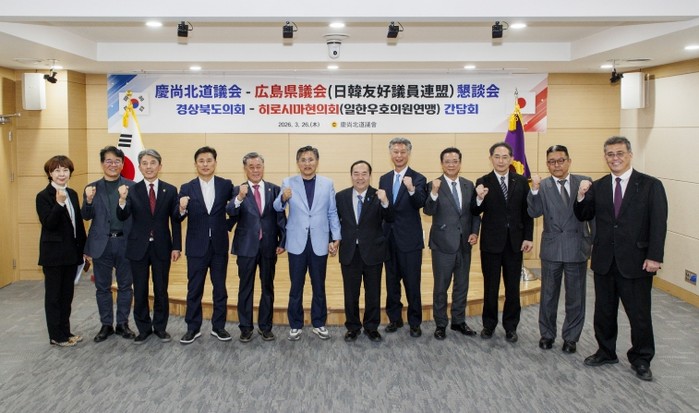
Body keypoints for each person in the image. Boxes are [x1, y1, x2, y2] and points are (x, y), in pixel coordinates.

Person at [574, 136, 668, 381]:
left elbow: (658, 224)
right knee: (604, 311)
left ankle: (641, 358)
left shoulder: (650, 185)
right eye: (610, 154)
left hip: (636, 261)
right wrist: (581, 196)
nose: (614, 158)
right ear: (605, 157)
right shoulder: (598, 186)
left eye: (619, 153)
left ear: (629, 155)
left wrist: (655, 256)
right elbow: (584, 214)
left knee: (639, 314)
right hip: (604, 260)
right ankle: (606, 351)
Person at [527, 145, 593, 353]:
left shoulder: (584, 182)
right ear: (547, 164)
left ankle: (571, 338)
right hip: (552, 247)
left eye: (561, 160)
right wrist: (534, 190)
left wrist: (592, 241)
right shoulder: (542, 185)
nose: (557, 165)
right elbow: (534, 212)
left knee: (575, 297)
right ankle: (547, 334)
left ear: (569, 161)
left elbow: (592, 214)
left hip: (577, 246)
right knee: (548, 295)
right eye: (552, 162)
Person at [273, 145, 341, 341]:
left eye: (311, 159)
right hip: (296, 242)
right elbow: (276, 207)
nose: (307, 163)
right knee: (296, 286)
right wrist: (283, 198)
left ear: (317, 162)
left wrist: (336, 237)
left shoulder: (327, 183)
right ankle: (295, 324)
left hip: (320, 240)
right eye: (303, 160)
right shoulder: (288, 182)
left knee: (319, 285)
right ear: (298, 163)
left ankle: (319, 323)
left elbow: (332, 212)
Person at [116, 149, 182, 344]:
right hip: (138, 247)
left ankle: (160, 327)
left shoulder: (170, 190)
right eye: (144, 163)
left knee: (161, 289)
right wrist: (122, 200)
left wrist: (176, 246)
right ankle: (143, 328)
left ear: (160, 166)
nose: (149, 167)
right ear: (139, 167)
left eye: (153, 163)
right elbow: (122, 215)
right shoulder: (131, 190)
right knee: (140, 290)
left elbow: (175, 220)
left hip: (162, 246)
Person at [471, 141, 534, 343]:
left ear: (511, 159)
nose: (500, 160)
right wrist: (479, 198)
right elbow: (474, 211)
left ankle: (511, 327)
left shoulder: (521, 181)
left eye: (505, 157)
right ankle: (488, 325)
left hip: (515, 243)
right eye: (497, 157)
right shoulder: (483, 181)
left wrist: (528, 236)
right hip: (491, 243)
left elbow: (527, 212)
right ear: (491, 158)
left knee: (512, 288)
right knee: (491, 287)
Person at [226, 152, 286, 342]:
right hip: (246, 247)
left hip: (269, 246)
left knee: (267, 287)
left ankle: (265, 327)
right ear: (245, 169)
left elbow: (280, 218)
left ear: (263, 167)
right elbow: (230, 211)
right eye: (251, 167)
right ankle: (245, 328)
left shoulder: (274, 189)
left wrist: (282, 241)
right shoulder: (238, 190)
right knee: (245, 288)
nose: (255, 170)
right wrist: (239, 198)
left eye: (258, 166)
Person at [178, 146, 234, 344]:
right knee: (194, 289)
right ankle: (193, 328)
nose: (205, 164)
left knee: (220, 289)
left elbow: (236, 208)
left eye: (209, 160)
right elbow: (177, 216)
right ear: (195, 164)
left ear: (215, 163)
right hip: (196, 246)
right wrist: (181, 208)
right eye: (201, 161)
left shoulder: (226, 185)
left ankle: (219, 327)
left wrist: (227, 226)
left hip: (219, 246)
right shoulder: (187, 187)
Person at [423, 147, 480, 340]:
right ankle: (440, 324)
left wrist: (474, 232)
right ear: (442, 164)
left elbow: (475, 212)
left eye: (455, 161)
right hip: (442, 245)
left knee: (462, 286)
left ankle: (458, 321)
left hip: (464, 244)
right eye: (447, 161)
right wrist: (434, 192)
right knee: (441, 287)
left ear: (460, 163)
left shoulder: (468, 185)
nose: (451, 165)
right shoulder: (433, 184)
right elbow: (428, 211)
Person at [82, 146, 136, 342]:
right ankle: (106, 325)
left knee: (125, 286)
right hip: (101, 244)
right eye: (109, 161)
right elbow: (85, 215)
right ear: (102, 163)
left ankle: (122, 324)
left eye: (117, 161)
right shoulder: (92, 188)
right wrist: (88, 200)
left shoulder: (132, 186)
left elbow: (138, 216)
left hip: (125, 243)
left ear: (122, 164)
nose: (113, 165)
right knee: (102, 287)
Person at [336, 160, 393, 342]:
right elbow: (334, 222)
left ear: (370, 175)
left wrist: (385, 202)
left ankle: (371, 327)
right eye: (356, 173)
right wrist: (333, 240)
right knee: (350, 294)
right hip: (349, 252)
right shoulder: (341, 196)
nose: (360, 177)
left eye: (364, 173)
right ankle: (352, 327)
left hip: (373, 252)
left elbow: (390, 218)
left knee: (373, 293)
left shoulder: (379, 195)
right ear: (351, 175)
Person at [379, 137, 428, 338]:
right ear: (391, 154)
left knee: (412, 283)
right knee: (391, 282)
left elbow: (420, 203)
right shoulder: (384, 178)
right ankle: (395, 318)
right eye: (395, 152)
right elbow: (385, 208)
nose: (399, 155)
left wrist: (411, 189)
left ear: (408, 153)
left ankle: (415, 322)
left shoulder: (418, 178)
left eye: (402, 152)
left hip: (410, 240)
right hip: (389, 239)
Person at [36, 155, 87, 347]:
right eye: (57, 170)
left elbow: (78, 225)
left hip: (71, 254)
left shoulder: (72, 193)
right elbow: (49, 224)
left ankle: (66, 332)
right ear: (50, 173)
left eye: (65, 170)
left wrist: (84, 249)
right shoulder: (43, 196)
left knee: (66, 296)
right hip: (53, 256)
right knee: (54, 297)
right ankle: (56, 336)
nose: (61, 174)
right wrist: (58, 204)